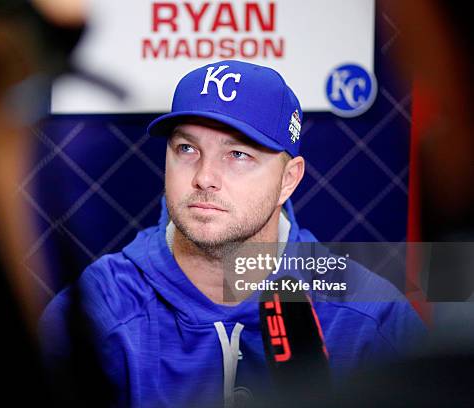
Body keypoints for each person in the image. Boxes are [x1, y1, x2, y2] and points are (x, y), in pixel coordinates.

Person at [39, 60, 426, 408]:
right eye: (187, 149)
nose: (204, 178)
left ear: (288, 180)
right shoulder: (97, 313)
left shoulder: (370, 317)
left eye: (238, 155)